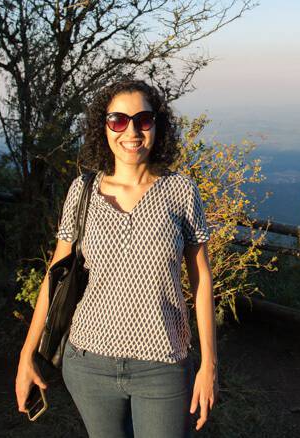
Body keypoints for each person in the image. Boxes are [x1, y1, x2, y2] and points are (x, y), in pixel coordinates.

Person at [15, 79, 219, 437]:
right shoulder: (82, 191)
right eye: (118, 120)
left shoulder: (181, 192)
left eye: (143, 119)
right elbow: (56, 276)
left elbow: (201, 280)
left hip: (164, 364)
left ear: (157, 125)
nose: (132, 131)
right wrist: (26, 354)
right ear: (103, 127)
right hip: (88, 363)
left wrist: (209, 365)